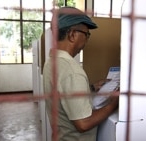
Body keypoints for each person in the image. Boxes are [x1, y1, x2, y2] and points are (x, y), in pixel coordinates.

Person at [43, 7, 119, 141]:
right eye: (86, 34)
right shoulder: (72, 71)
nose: (87, 40)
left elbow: (62, 93)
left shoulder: (51, 62)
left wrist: (93, 88)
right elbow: (83, 124)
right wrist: (113, 103)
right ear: (72, 35)